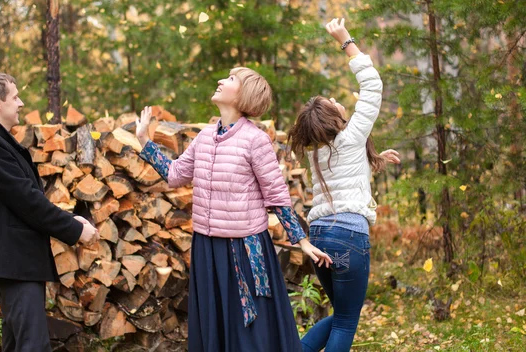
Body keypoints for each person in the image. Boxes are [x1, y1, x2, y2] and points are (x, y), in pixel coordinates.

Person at [135, 67, 332, 352]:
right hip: (206, 248)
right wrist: (144, 140)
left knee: (249, 334)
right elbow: (175, 174)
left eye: (230, 79)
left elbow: (276, 196)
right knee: (214, 326)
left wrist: (301, 240)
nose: (219, 81)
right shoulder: (204, 137)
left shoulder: (255, 140)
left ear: (244, 95)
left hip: (244, 250)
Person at [0, 72, 99, 352]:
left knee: (18, 346)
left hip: (18, 261)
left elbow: (24, 197)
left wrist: (71, 219)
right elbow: (26, 200)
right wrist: (75, 229)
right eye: (15, 97)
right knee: (32, 346)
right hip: (13, 262)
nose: (21, 103)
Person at [287, 18, 398, 352]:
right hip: (349, 234)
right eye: (331, 101)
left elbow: (347, 172)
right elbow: (373, 86)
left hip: (320, 233)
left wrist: (375, 158)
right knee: (347, 320)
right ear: (330, 117)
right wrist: (346, 40)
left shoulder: (316, 153)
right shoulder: (349, 137)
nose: (337, 99)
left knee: (341, 315)